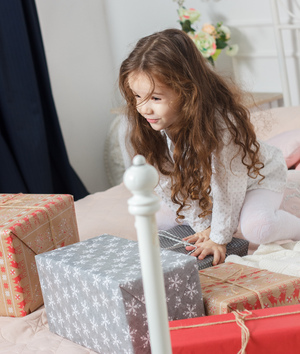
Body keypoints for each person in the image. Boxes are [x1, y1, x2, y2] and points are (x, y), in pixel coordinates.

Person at [119, 28, 300, 265]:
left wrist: (218, 237)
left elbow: (229, 188)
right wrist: (202, 225)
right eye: (137, 96)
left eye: (155, 98)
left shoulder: (222, 127)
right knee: (160, 220)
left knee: (258, 228)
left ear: (187, 92)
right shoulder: (155, 125)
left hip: (255, 179)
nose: (143, 108)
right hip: (209, 186)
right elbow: (168, 180)